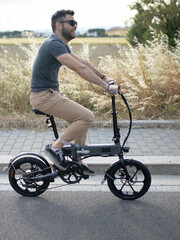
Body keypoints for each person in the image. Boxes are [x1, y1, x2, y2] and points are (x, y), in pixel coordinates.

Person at [30, 9, 118, 175]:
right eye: (71, 23)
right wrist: (106, 87)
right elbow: (79, 68)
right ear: (58, 25)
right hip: (43, 97)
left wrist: (105, 78)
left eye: (75, 23)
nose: (75, 26)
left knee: (81, 122)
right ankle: (55, 148)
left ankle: (77, 163)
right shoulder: (53, 44)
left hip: (51, 94)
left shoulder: (60, 44)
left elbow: (82, 62)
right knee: (87, 117)